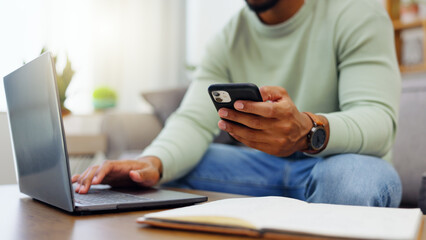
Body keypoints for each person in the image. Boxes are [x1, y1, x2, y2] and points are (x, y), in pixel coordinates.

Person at [72, 0, 402, 207]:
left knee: (356, 183)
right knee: (146, 172)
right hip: (258, 169)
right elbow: (191, 121)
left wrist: (308, 131)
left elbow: (378, 121)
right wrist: (152, 163)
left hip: (336, 166)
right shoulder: (227, 38)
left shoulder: (357, 11)